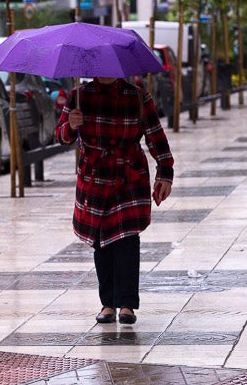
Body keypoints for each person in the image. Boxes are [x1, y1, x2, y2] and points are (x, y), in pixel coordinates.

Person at [57, 77, 174, 325]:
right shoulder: (79, 95)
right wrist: (70, 125)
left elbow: (156, 137)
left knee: (127, 238)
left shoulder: (139, 97)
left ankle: (128, 305)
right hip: (95, 178)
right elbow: (60, 136)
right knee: (102, 241)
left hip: (128, 176)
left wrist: (165, 173)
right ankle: (107, 303)